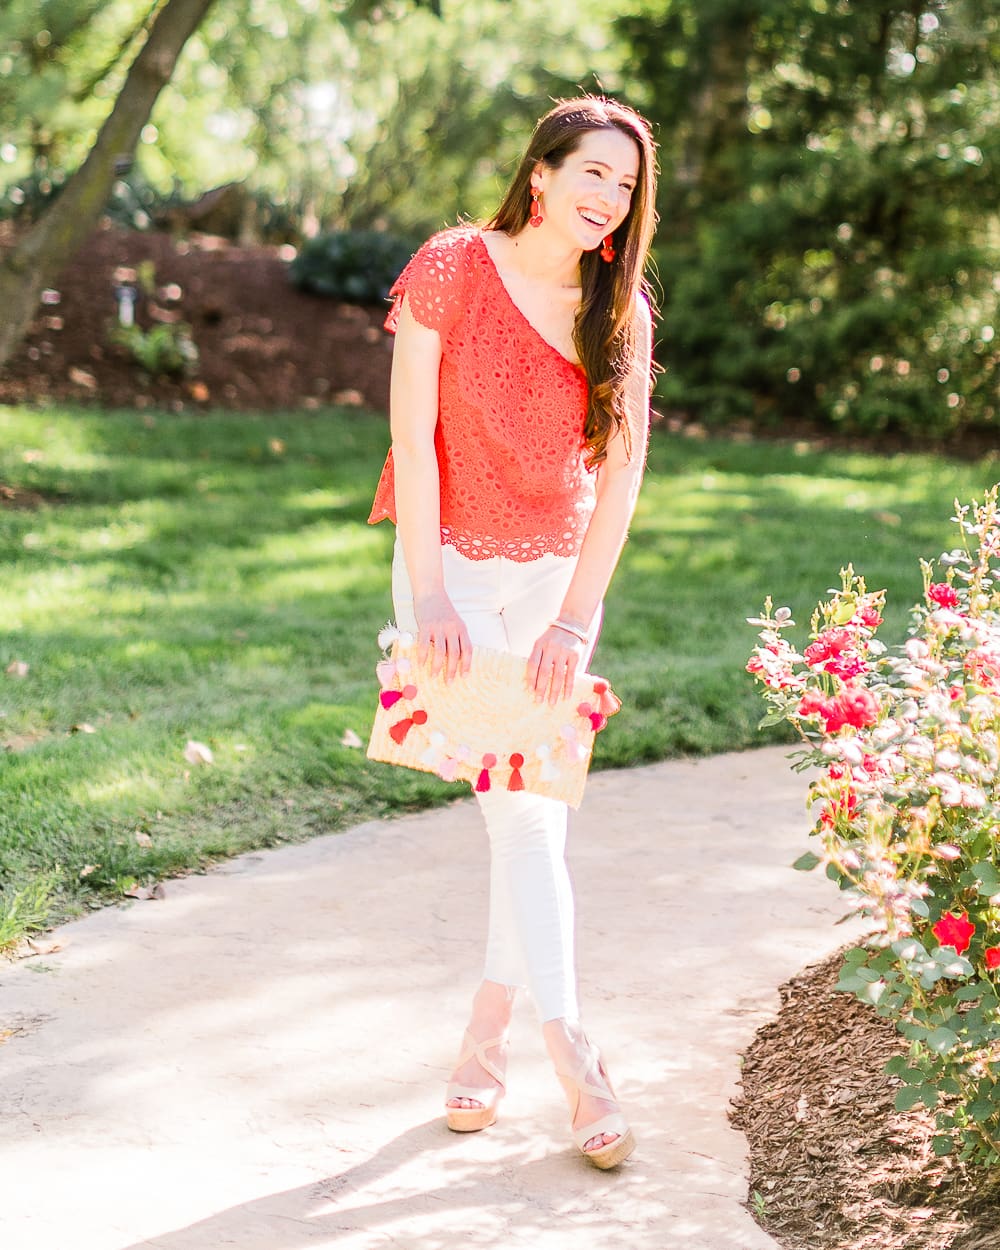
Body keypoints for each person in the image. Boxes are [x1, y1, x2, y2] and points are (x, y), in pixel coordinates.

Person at [368, 95, 657, 1169]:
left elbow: (621, 474)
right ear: (540, 173)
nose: (605, 198)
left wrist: (578, 619)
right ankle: (575, 1055)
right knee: (524, 819)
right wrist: (430, 590)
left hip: (553, 584)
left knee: (526, 816)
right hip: (449, 575)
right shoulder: (450, 265)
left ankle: (485, 1039)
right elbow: (412, 431)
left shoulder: (616, 304)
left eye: (624, 185)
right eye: (591, 173)